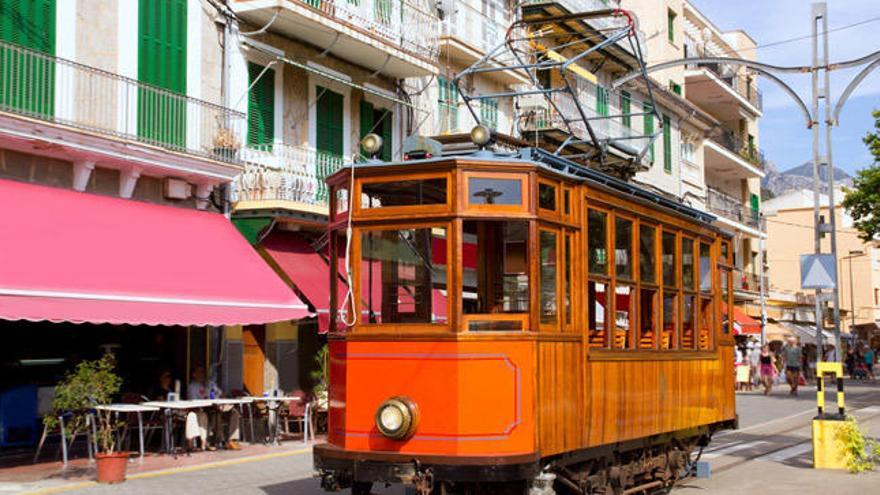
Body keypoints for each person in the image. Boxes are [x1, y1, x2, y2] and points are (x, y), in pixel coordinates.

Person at [188, 366, 242, 450]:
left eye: (203, 372)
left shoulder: (210, 384)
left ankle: (232, 440)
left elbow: (221, 393)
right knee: (215, 414)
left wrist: (222, 400)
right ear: (194, 374)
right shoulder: (193, 386)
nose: (203, 374)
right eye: (200, 372)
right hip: (205, 409)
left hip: (218, 406)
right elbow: (193, 402)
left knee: (234, 412)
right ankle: (217, 440)